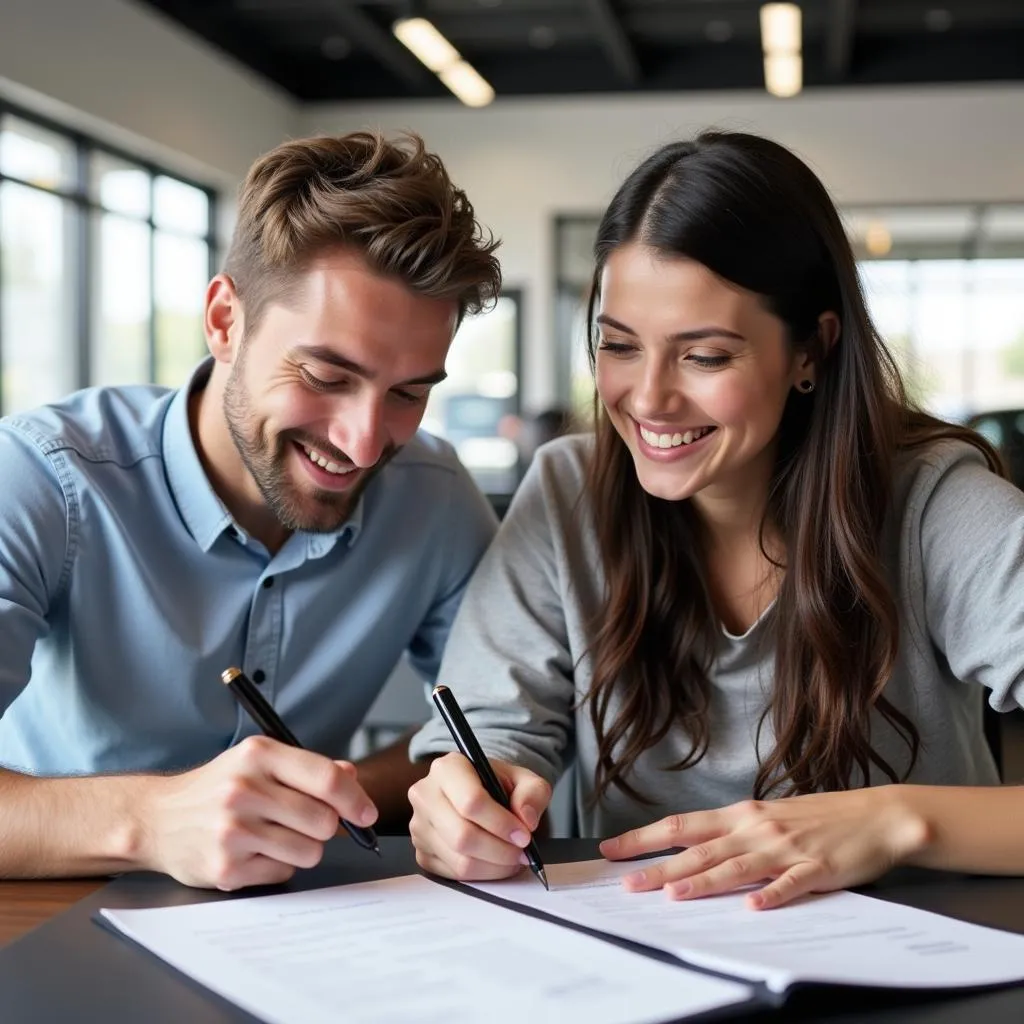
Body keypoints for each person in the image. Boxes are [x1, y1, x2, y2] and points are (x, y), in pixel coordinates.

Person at [407, 130, 1024, 909]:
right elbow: (486, 742)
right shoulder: (568, 492)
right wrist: (462, 802)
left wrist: (897, 820)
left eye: (705, 356)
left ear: (812, 350)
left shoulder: (938, 506)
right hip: (654, 963)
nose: (649, 398)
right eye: (620, 346)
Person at [0, 131, 501, 889]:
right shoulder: (42, 476)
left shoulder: (435, 496)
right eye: (327, 375)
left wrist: (344, 798)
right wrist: (155, 819)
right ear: (225, 321)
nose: (365, 443)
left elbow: (485, 724)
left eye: (408, 393)